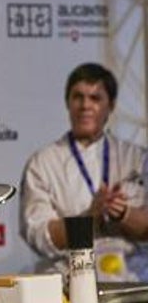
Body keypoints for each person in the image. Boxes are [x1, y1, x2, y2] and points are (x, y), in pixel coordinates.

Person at [20, 63, 148, 281]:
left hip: (134, 279)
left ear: (111, 106)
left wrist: (123, 214)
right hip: (71, 282)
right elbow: (39, 237)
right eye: (78, 97)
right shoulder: (42, 163)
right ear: (67, 103)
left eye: (96, 98)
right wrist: (89, 218)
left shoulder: (137, 157)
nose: (85, 105)